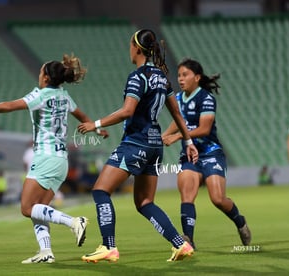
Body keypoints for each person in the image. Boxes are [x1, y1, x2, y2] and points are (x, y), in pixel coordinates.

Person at [0, 54, 108, 264]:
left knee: (26, 208)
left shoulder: (41, 95)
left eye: (41, 72)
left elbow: (10, 106)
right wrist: (97, 128)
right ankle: (46, 251)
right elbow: (84, 117)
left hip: (45, 158)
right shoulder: (64, 96)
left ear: (46, 78)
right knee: (38, 209)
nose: (39, 75)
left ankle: (73, 222)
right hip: (61, 161)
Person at [77, 29, 198, 263]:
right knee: (145, 202)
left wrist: (96, 124)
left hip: (135, 143)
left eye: (129, 45)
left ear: (137, 48)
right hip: (155, 146)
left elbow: (127, 111)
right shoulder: (163, 77)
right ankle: (180, 244)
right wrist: (189, 141)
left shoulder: (138, 76)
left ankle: (108, 246)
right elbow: (176, 112)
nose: (128, 50)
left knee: (101, 190)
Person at [162, 58, 251, 249]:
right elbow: (179, 121)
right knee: (187, 194)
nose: (181, 79)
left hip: (211, 152)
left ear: (197, 77)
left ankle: (240, 221)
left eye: (185, 75)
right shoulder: (177, 99)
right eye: (179, 75)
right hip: (189, 155)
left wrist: (177, 136)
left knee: (218, 199)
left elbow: (204, 128)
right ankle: (188, 240)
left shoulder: (206, 98)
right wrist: (165, 135)